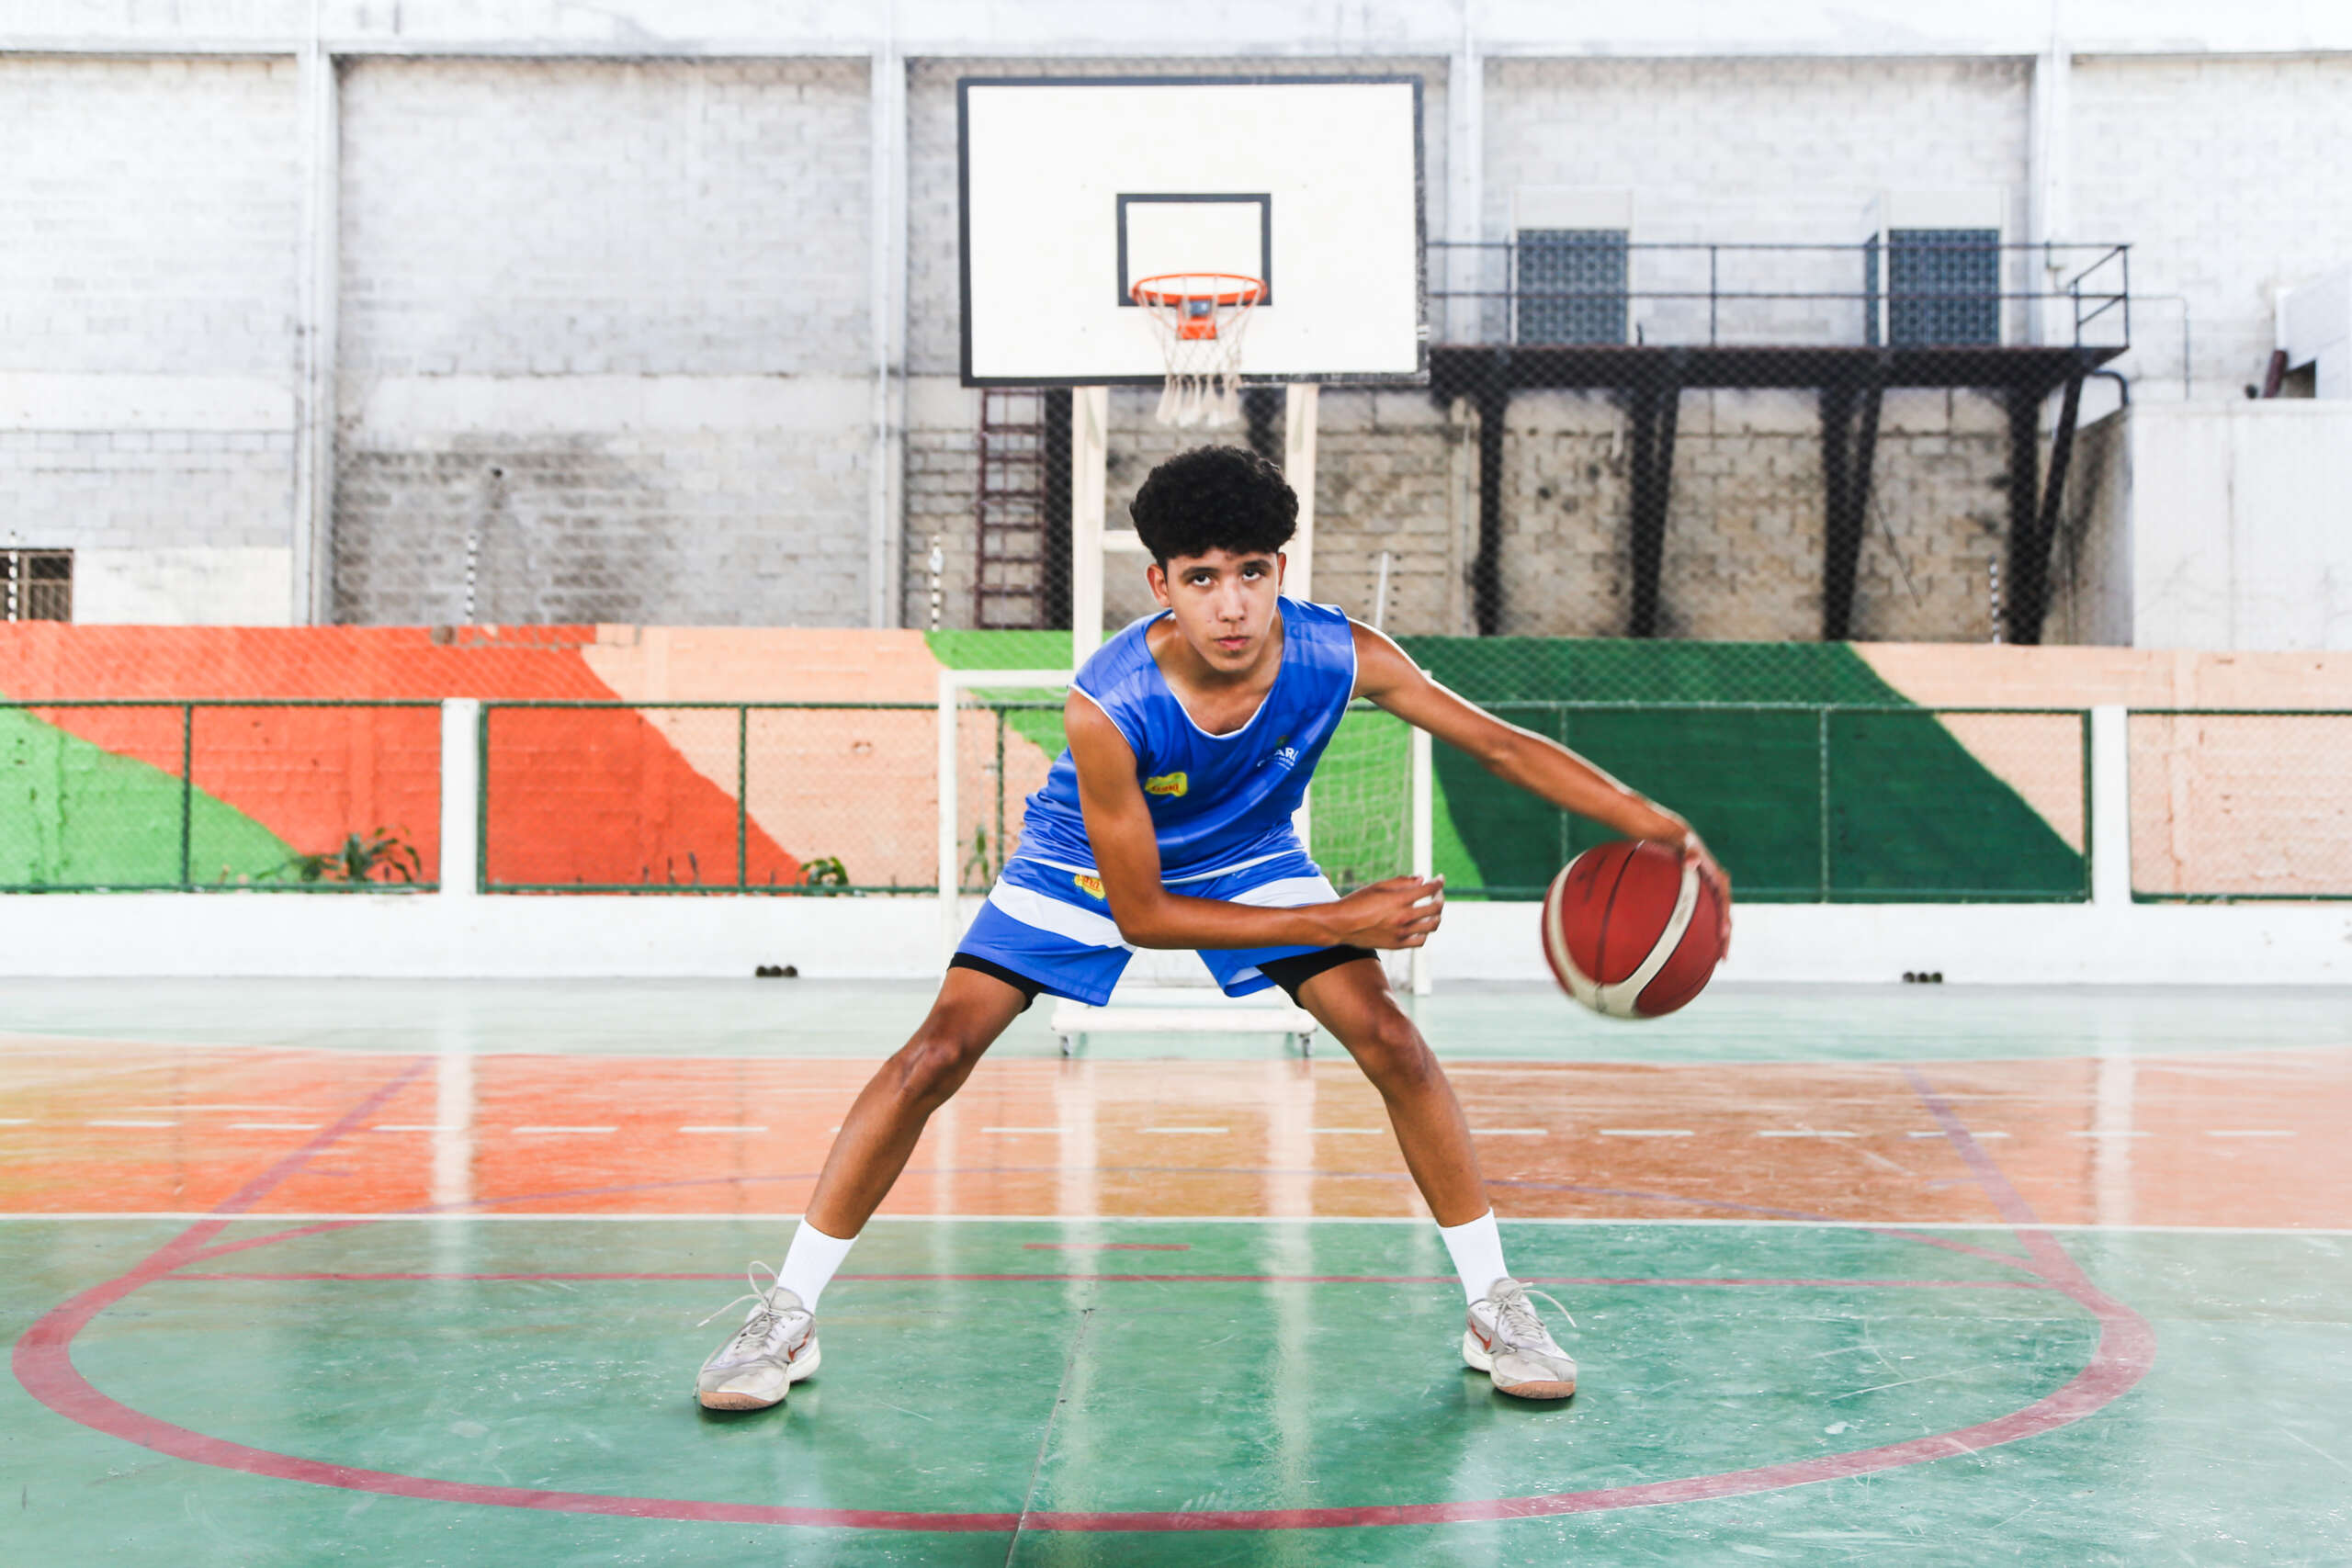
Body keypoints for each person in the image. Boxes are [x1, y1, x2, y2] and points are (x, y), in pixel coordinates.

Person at [695, 444, 1727, 1411]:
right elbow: (1143, 915)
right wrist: (1343, 915)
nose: (1230, 604)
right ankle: (787, 1315)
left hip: (1247, 854)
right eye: (1200, 578)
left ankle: (1495, 1306)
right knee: (934, 1056)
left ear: (1281, 569)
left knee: (1392, 1040)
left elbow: (1497, 745)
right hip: (1084, 866)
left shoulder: (1340, 654)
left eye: (1250, 573)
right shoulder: (1109, 700)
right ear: (1160, 583)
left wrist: (1661, 826)